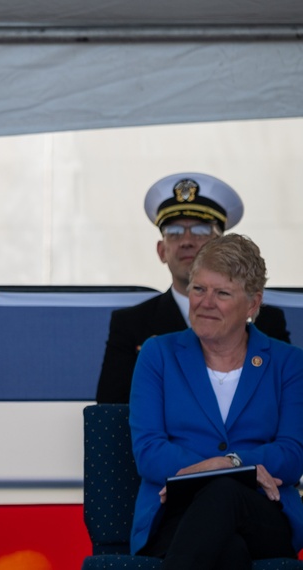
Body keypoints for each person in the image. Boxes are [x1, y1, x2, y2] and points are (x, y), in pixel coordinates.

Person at [129, 234, 303, 568]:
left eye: (222, 293)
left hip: (261, 512)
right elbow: (149, 452)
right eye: (198, 289)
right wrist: (220, 467)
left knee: (224, 494)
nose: (205, 302)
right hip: (174, 514)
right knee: (228, 551)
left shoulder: (288, 363)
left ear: (252, 304)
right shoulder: (158, 355)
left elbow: (292, 455)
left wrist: (232, 464)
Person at [96, 172, 289, 403]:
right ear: (161, 250)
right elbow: (112, 412)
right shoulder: (130, 324)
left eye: (200, 230)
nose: (187, 241)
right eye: (174, 232)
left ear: (222, 247)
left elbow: (284, 405)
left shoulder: (267, 321)